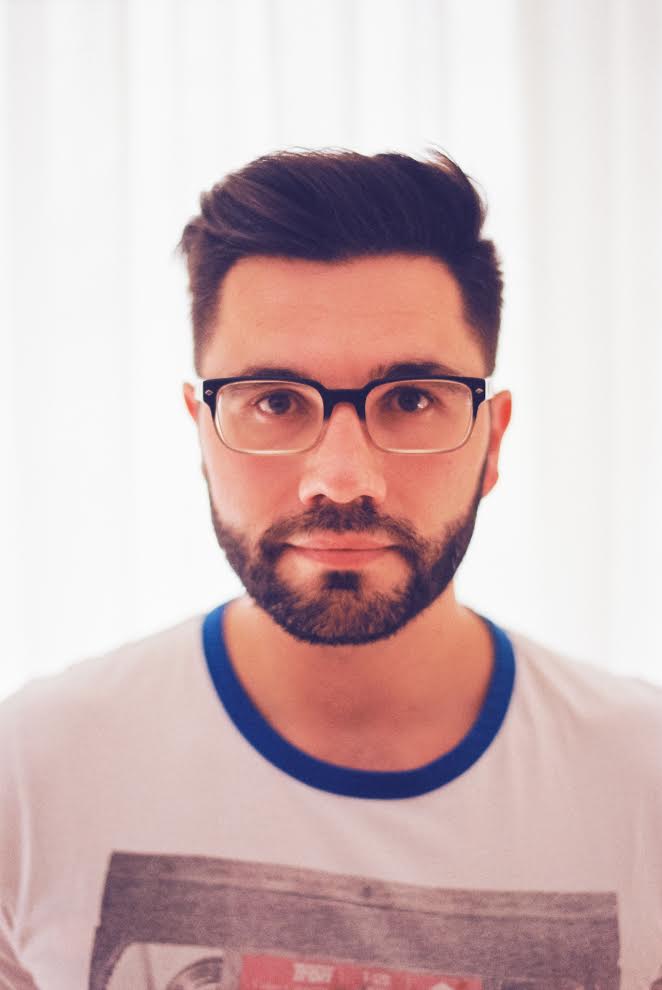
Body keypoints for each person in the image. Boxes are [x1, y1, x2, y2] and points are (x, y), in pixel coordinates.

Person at [0, 148, 660, 990]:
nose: (342, 480)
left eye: (412, 399)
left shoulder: (644, 782)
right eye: (275, 401)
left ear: (491, 441)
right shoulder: (31, 774)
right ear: (202, 434)